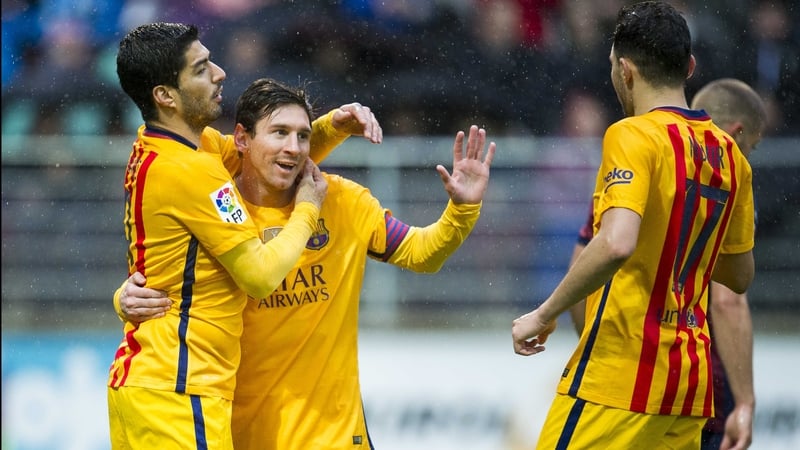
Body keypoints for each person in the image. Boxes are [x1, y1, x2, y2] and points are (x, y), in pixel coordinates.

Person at [116, 77, 495, 449]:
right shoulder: (218, 213)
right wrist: (125, 297)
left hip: (335, 436)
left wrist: (461, 211)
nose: (294, 148)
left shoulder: (342, 201)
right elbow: (170, 283)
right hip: (240, 434)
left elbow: (421, 253)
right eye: (279, 133)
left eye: (302, 136)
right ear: (242, 140)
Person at [107, 22, 381, 449]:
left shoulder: (166, 148)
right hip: (183, 391)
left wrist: (331, 127)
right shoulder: (195, 172)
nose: (219, 73)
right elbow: (258, 274)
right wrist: (308, 206)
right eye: (200, 69)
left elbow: (259, 159)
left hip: (146, 382)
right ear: (165, 95)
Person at [511, 2, 756, 449]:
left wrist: (542, 313)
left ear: (625, 71)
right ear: (690, 67)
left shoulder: (631, 135)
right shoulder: (730, 155)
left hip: (619, 378)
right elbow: (739, 276)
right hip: (687, 388)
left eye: (610, 67)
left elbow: (617, 242)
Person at [567, 78, 766, 450]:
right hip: (696, 389)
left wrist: (596, 354)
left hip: (624, 381)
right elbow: (727, 299)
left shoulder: (637, 162)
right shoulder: (726, 184)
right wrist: (744, 401)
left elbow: (584, 266)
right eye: (751, 147)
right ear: (737, 134)